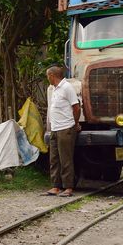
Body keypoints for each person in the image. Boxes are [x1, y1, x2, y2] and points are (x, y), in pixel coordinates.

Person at [44, 65, 81, 197]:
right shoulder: (54, 89)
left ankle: (68, 187)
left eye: (48, 75)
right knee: (54, 158)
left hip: (66, 128)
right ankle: (56, 186)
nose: (47, 78)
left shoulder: (66, 87)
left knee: (66, 158)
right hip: (55, 128)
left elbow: (76, 107)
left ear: (52, 76)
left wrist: (75, 123)